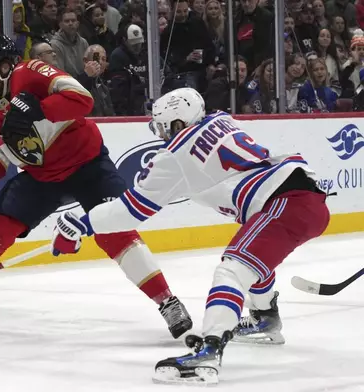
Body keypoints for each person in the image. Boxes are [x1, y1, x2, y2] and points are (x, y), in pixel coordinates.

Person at [51, 88, 329, 385]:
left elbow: (132, 210)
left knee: (231, 270)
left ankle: (209, 350)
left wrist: (82, 223)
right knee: (252, 259)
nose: (160, 134)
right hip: (300, 197)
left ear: (177, 124)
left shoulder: (174, 155)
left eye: (162, 126)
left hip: (285, 203)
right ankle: (265, 318)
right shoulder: (221, 120)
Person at [0, 35, 192, 339]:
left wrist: (39, 107)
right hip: (42, 176)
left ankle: (166, 300)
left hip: (88, 165)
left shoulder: (32, 72)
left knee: (115, 233)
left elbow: (83, 100)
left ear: (4, 66)